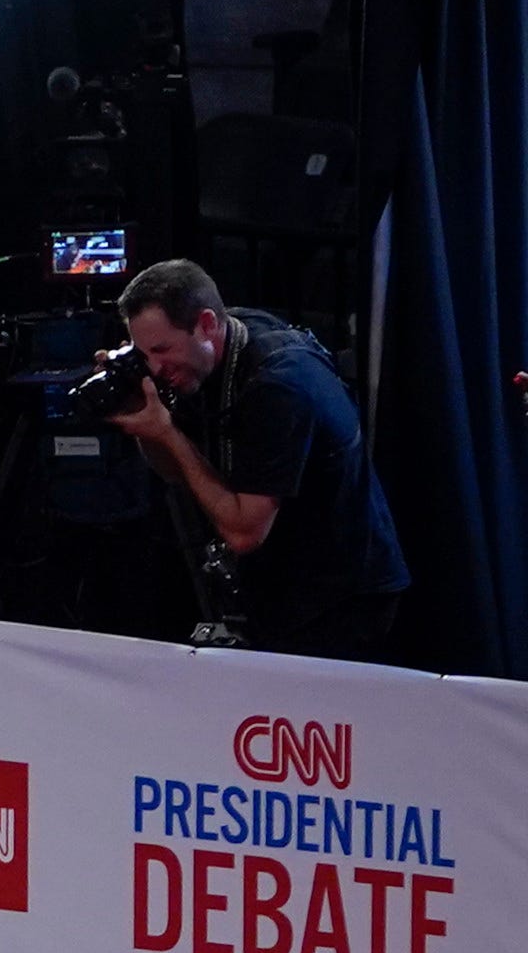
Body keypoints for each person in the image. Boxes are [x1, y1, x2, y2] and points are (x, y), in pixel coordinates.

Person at [103, 258, 408, 660]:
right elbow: (177, 473)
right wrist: (144, 416)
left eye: (163, 349)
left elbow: (245, 533)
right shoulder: (219, 347)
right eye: (144, 354)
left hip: (341, 597)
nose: (157, 367)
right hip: (283, 583)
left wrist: (168, 433)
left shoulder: (279, 384)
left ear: (207, 324)